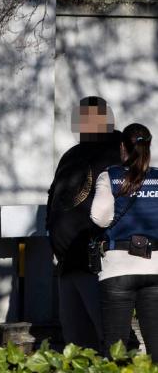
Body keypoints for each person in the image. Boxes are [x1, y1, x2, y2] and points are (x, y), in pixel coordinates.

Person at [46, 96, 121, 350]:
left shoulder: (118, 152)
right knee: (76, 344)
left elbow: (124, 201)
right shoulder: (72, 154)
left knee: (113, 340)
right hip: (67, 263)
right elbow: (55, 196)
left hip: (99, 263)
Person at [91, 123, 158, 358]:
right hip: (155, 267)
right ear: (148, 147)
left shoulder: (109, 176)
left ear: (122, 147)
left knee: (115, 349)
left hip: (117, 269)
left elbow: (99, 218)